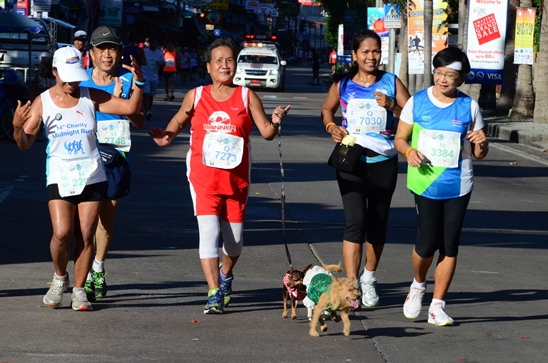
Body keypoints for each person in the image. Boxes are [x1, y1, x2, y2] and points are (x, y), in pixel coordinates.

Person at [148, 37, 290, 314]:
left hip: (235, 179)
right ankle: (213, 291)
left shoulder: (247, 96)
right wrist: (167, 136)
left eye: (229, 61)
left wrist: (275, 121)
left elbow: (267, 133)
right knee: (209, 232)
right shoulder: (197, 95)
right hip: (203, 176)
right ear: (209, 67)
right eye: (219, 61)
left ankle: (226, 275)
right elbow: (180, 119)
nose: (224, 66)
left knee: (234, 240)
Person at [11, 46, 143, 311]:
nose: (72, 82)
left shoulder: (89, 96)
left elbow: (129, 107)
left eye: (76, 76)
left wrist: (139, 83)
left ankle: (79, 290)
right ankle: (60, 278)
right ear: (54, 71)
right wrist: (16, 125)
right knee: (62, 233)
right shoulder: (43, 101)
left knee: (85, 234)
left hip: (92, 174)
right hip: (60, 175)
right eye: (66, 76)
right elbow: (24, 143)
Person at [394, 47, 488, 326]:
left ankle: (437, 305)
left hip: (459, 183)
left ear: (461, 78)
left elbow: (479, 153)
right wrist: (408, 151)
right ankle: (418, 285)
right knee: (426, 244)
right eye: (439, 73)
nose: (443, 79)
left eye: (450, 75)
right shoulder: (417, 102)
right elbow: (400, 139)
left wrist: (482, 142)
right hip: (425, 182)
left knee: (449, 245)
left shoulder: (469, 106)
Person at [320, 29, 410, 307]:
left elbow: (412, 116)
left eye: (376, 51)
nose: (372, 57)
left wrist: (392, 106)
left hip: (383, 160)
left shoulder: (391, 81)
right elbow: (327, 110)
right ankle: (352, 285)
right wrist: (332, 127)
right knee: (355, 222)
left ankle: (369, 278)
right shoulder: (343, 83)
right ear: (355, 55)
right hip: (351, 160)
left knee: (377, 224)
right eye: (366, 52)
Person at [80, 26, 145, 300]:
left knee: (105, 219)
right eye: (101, 49)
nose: (107, 54)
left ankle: (98, 268)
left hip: (115, 157)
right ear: (91, 53)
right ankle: (79, 276)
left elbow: (140, 120)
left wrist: (123, 97)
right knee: (82, 221)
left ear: (119, 52)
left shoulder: (130, 80)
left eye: (113, 48)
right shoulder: (79, 81)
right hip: (82, 155)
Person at [143, 37, 165, 121]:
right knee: (146, 94)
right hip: (145, 76)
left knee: (151, 96)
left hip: (154, 77)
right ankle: (147, 111)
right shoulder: (145, 51)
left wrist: (160, 63)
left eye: (156, 43)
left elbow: (164, 63)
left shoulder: (159, 53)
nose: (154, 44)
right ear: (150, 43)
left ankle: (148, 110)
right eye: (153, 43)